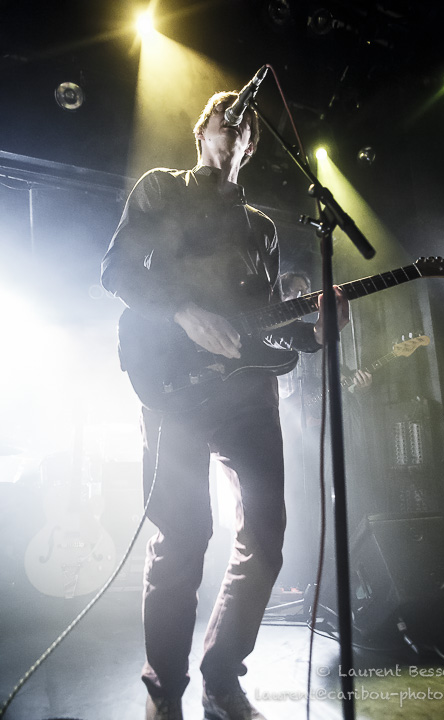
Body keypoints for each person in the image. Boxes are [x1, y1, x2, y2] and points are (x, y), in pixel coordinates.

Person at [101, 90, 350, 720]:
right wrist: (183, 310)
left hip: (246, 397)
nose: (235, 120)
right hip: (172, 384)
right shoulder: (162, 190)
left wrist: (315, 332)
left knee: (266, 535)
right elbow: (117, 272)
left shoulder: (261, 228)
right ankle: (165, 689)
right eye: (225, 112)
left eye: (245, 120)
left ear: (251, 142)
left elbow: (266, 329)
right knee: (183, 536)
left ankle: (222, 678)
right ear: (203, 130)